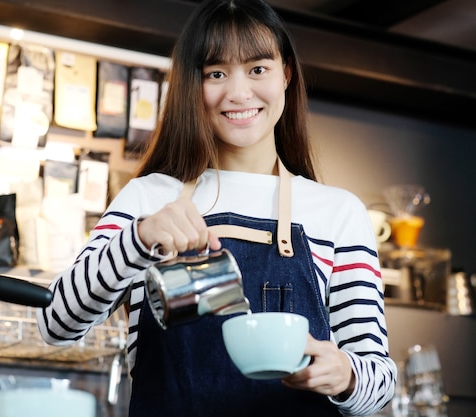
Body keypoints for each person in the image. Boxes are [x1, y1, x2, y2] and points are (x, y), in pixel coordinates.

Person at [37, 0, 397, 415]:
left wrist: (346, 375)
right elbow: (56, 324)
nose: (238, 93)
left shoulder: (337, 213)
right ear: (194, 85)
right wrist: (138, 240)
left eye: (258, 69)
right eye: (216, 73)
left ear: (287, 75)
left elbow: (380, 382)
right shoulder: (148, 198)